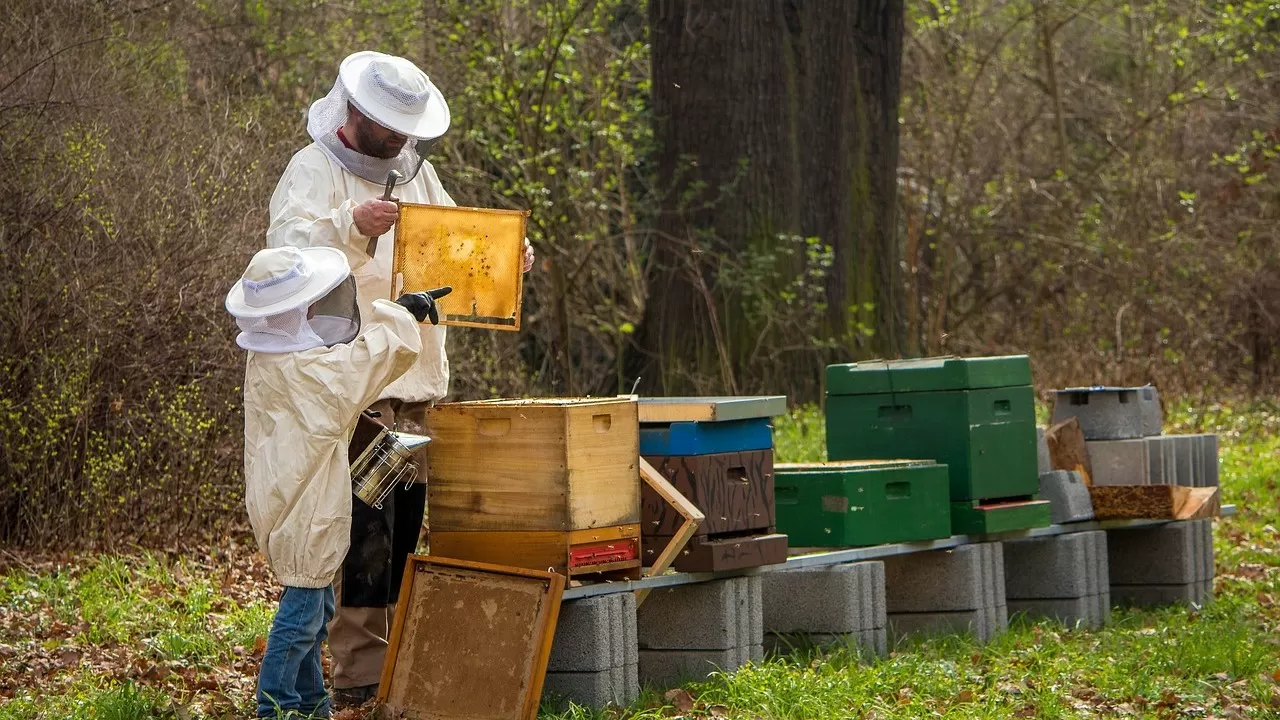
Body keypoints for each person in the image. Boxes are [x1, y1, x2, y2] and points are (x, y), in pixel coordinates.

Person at [266, 50, 535, 707]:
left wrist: (507, 262)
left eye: (406, 127)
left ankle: (397, 665)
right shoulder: (312, 170)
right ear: (355, 112)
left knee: (407, 525)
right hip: (355, 382)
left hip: (417, 382)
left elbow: (453, 255)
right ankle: (359, 672)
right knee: (365, 528)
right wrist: (349, 227)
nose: (399, 139)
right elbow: (281, 261)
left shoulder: (418, 171)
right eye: (389, 126)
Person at [225, 245, 449, 718]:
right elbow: (361, 367)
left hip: (286, 498)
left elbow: (340, 360)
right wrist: (399, 314)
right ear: (293, 310)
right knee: (304, 613)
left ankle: (311, 704)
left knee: (313, 606)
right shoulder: (309, 375)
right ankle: (276, 708)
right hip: (304, 508)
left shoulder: (272, 361)